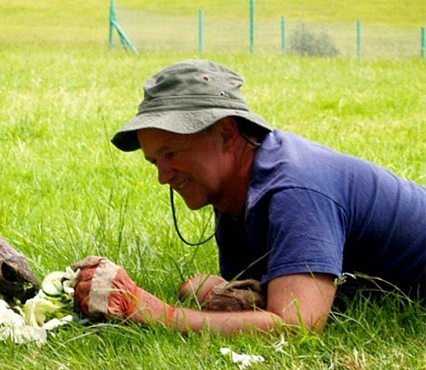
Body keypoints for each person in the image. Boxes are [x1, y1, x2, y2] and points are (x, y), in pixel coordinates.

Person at [72, 59, 426, 335]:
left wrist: (151, 311)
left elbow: (297, 326)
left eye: (172, 153)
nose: (163, 176)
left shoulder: (294, 188)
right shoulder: (235, 191)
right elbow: (256, 296)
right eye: (154, 161)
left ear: (227, 134)